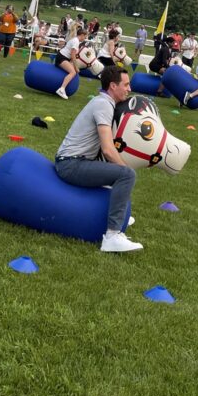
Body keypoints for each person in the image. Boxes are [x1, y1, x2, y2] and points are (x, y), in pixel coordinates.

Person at [54, 65, 141, 252]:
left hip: (75, 161)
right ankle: (112, 236)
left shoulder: (103, 101)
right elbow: (108, 150)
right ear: (112, 86)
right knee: (126, 175)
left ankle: (121, 216)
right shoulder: (104, 104)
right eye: (125, 85)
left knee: (117, 172)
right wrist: (127, 169)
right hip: (71, 164)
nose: (129, 89)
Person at [54, 27, 86, 99]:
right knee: (73, 72)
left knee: (73, 70)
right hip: (61, 58)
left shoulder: (75, 40)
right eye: (85, 36)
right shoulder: (76, 41)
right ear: (82, 35)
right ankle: (61, 89)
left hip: (63, 57)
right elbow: (73, 55)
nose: (85, 38)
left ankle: (62, 89)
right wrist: (76, 67)